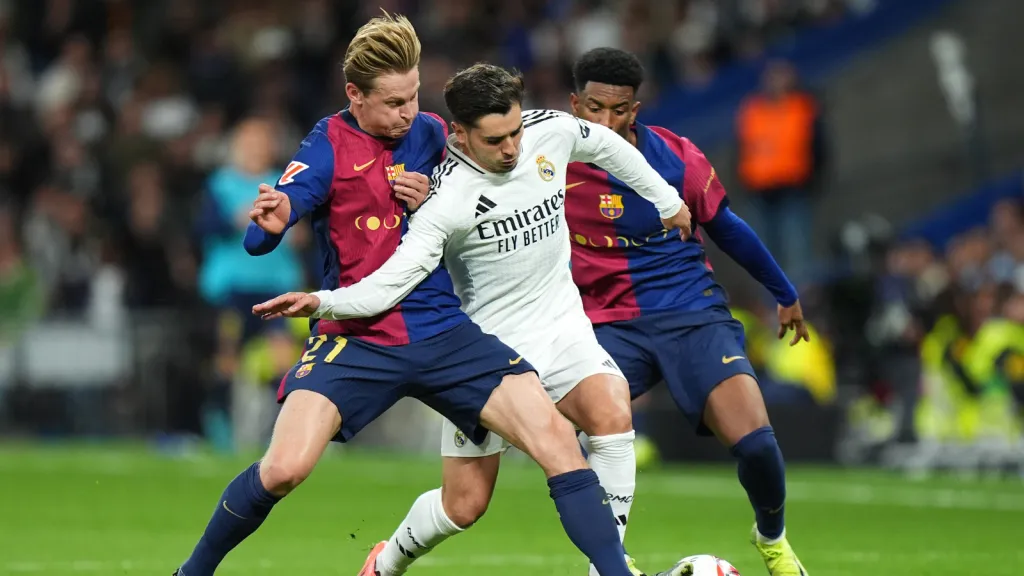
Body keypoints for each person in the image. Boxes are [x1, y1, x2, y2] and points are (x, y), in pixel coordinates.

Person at [174, 16, 637, 576]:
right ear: (354, 95)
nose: (408, 113)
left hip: (442, 328)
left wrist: (433, 197)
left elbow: (488, 184)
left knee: (558, 446)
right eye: (393, 102)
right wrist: (270, 225)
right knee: (285, 468)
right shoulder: (327, 146)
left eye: (414, 95)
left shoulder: (435, 134)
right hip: (358, 334)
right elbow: (262, 231)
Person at [253, 63, 694, 576]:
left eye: (515, 132)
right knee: (465, 503)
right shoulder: (439, 197)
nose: (511, 149)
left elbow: (606, 144)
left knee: (612, 413)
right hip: (487, 350)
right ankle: (387, 559)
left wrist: (667, 200)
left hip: (561, 327)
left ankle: (610, 568)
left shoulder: (548, 130)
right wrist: (323, 300)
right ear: (459, 133)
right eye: (495, 139)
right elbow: (392, 281)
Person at [564, 47, 810, 576]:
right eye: (594, 108)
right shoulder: (544, 165)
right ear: (574, 104)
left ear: (637, 108)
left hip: (690, 313)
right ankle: (610, 557)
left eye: (620, 110)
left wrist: (783, 291)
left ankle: (772, 538)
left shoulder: (674, 156)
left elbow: (727, 228)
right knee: (559, 431)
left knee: (759, 447)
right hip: (605, 325)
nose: (606, 122)